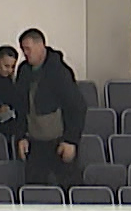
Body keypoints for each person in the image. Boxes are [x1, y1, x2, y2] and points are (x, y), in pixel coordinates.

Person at [14, 28, 85, 188]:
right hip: (34, 142)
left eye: (28, 49)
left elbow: (77, 106)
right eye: (23, 49)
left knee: (68, 186)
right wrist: (21, 136)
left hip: (59, 141)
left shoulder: (60, 71)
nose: (25, 53)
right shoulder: (24, 71)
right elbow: (20, 107)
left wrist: (71, 140)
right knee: (35, 187)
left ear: (41, 46)